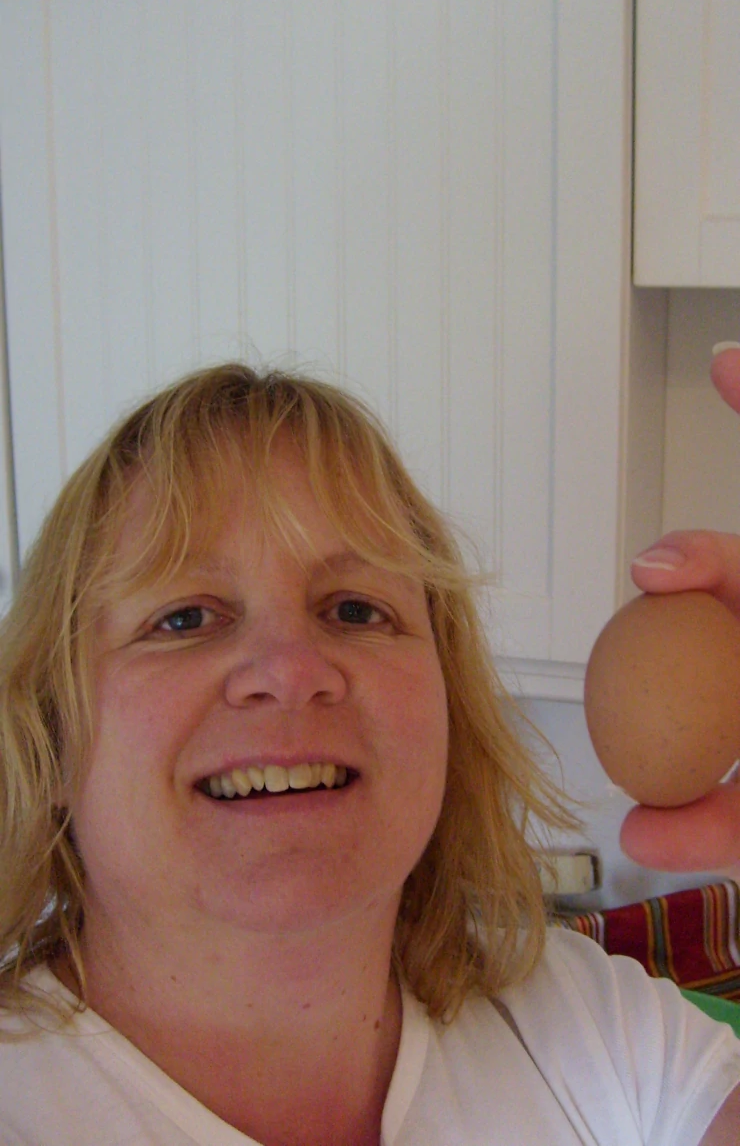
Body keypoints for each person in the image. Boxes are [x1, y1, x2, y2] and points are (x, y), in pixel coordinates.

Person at [0, 360, 739, 1146]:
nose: (292, 669)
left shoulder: (591, 1031)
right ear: (52, 731)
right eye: (185, 618)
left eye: (356, 609)